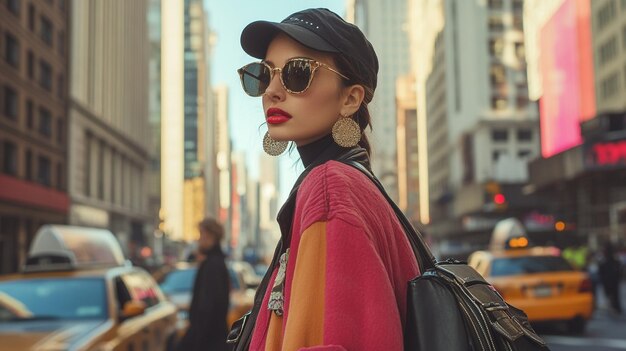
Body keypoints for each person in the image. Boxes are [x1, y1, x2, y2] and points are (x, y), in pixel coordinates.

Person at [230, 8, 419, 350]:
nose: (271, 90)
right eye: (264, 74)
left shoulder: (331, 188)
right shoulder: (349, 184)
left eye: (297, 73)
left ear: (350, 99)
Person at [177, 218, 230, 351]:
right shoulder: (215, 262)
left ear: (211, 237)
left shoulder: (213, 265)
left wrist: (197, 339)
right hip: (211, 336)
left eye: (201, 234)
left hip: (208, 339)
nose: (199, 239)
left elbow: (208, 306)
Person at [598, 242, 623, 314]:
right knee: (615, 294)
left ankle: (613, 307)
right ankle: (616, 307)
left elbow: (601, 270)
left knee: (609, 293)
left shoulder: (605, 260)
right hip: (613, 278)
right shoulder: (614, 259)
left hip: (608, 279)